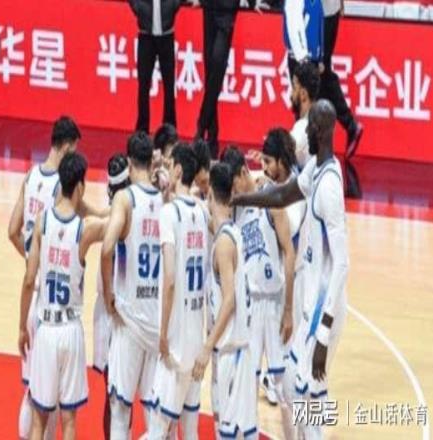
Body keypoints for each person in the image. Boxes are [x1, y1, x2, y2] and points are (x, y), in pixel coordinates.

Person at [232, 100, 349, 439]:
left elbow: (342, 263)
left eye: (310, 126)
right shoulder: (317, 167)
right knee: (297, 390)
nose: (304, 134)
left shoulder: (329, 188)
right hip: (309, 301)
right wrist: (243, 200)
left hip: (322, 309)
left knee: (305, 391)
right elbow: (282, 195)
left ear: (319, 131)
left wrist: (323, 333)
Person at [18, 152, 107, 440]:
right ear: (80, 186)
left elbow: (29, 280)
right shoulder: (85, 229)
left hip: (45, 328)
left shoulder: (42, 222)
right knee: (68, 420)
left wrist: (22, 327)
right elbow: (115, 223)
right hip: (70, 330)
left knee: (38, 419)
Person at [8, 116, 81, 440]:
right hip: (51, 304)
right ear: (65, 147)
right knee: (47, 401)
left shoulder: (31, 176)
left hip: (34, 290)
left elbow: (12, 230)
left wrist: (31, 261)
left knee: (33, 390)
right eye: (74, 150)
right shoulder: (60, 189)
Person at [220, 146, 295, 438]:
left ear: (243, 173)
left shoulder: (270, 197)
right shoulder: (234, 203)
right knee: (246, 384)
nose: (232, 192)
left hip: (274, 304)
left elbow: (289, 252)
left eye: (234, 184)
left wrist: (288, 309)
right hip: (248, 309)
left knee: (285, 387)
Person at [101, 132, 164, 439]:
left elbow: (106, 248)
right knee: (154, 413)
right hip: (156, 321)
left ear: (128, 162)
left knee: (120, 409)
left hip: (128, 321)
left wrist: (109, 296)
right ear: (151, 160)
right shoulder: (164, 200)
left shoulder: (125, 199)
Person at [192, 163, 257, 439]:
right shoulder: (232, 232)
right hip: (239, 349)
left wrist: (206, 347)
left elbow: (229, 301)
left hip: (232, 352)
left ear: (209, 195)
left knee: (229, 433)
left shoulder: (223, 244)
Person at [148, 145, 209, 439]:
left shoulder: (169, 214)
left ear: (179, 170)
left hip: (176, 342)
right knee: (190, 429)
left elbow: (170, 278)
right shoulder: (203, 211)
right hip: (197, 336)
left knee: (158, 428)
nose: (167, 170)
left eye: (170, 165)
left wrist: (162, 334)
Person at [92, 154, 131, 439]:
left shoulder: (114, 212)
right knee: (118, 394)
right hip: (116, 308)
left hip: (115, 308)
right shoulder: (124, 211)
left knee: (115, 393)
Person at [195, 0, 240, 159]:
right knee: (210, 72)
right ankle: (212, 137)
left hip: (227, 12)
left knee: (217, 64)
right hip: (209, 8)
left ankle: (202, 124)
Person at [130, 0, 181, 133]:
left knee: (169, 86)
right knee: (143, 85)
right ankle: (142, 129)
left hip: (167, 34)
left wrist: (173, 5)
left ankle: (169, 129)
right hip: (145, 35)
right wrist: (138, 8)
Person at [320, 0, 363, 158]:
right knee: (320, 73)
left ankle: (350, 124)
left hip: (323, 12)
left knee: (320, 71)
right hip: (323, 11)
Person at [290, 62, 320, 169]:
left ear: (303, 94)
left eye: (294, 88)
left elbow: (282, 169)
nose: (291, 94)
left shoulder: (301, 129)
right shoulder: (321, 123)